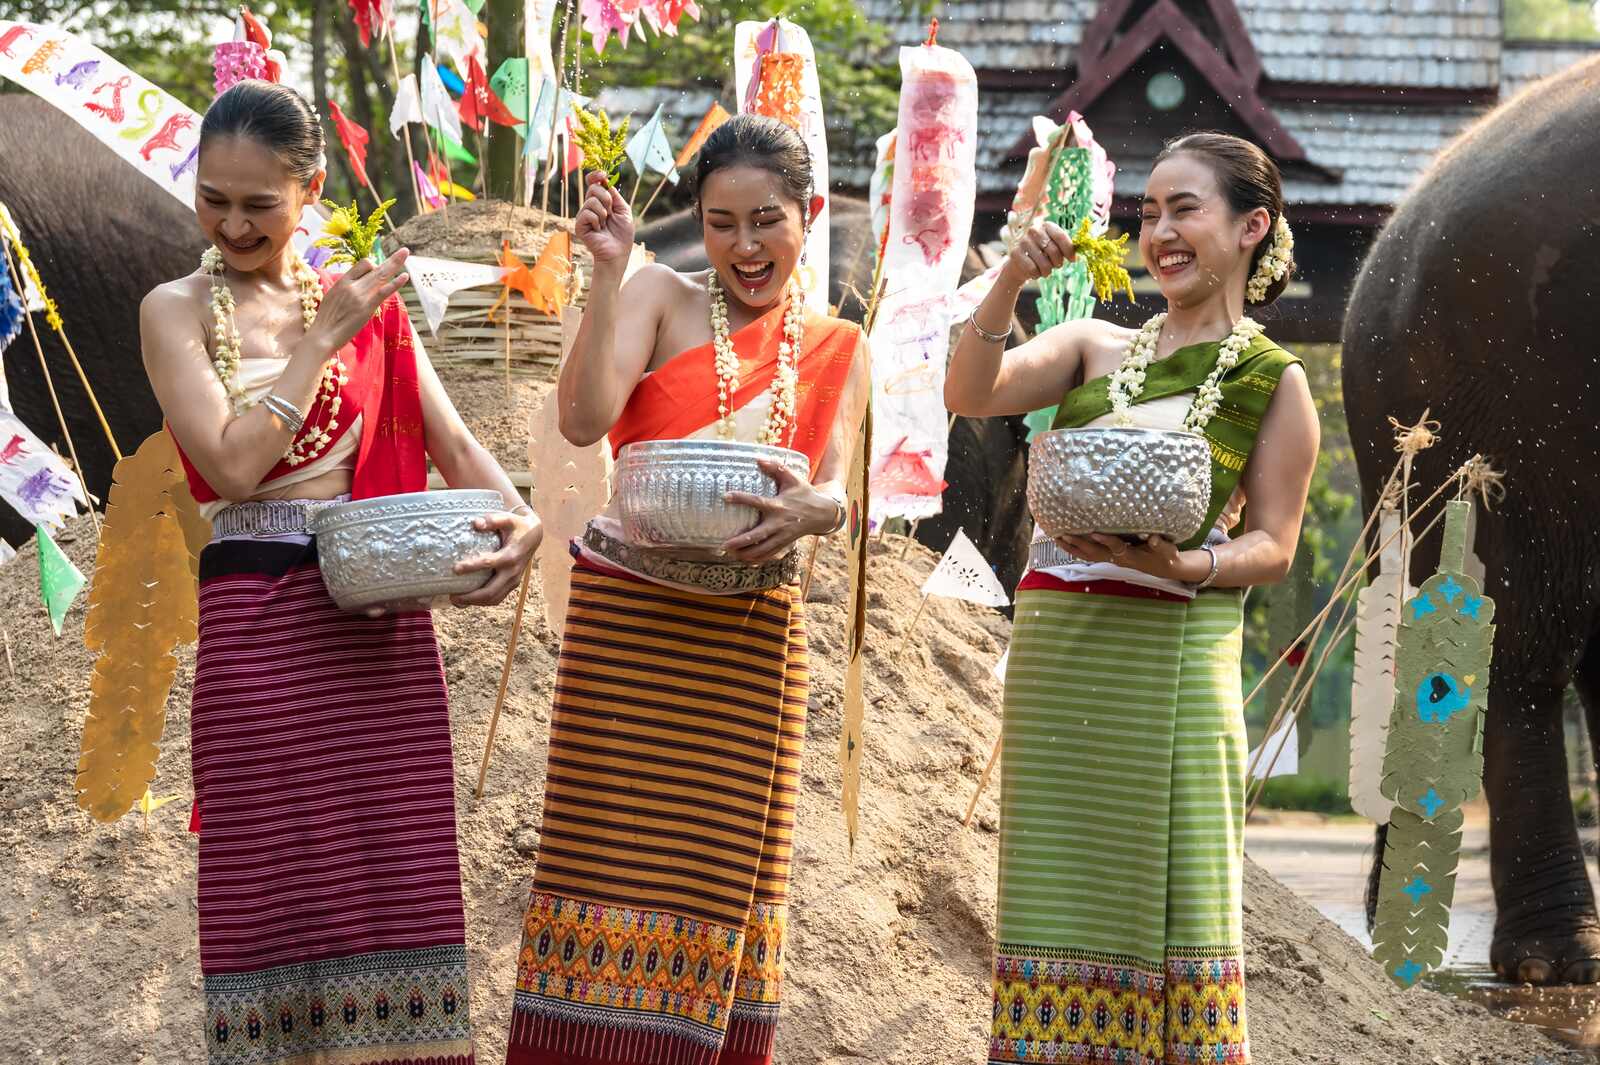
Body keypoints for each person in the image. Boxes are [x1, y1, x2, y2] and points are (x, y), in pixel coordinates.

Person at [139, 80, 542, 1064]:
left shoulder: (369, 307)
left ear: (310, 188)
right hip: (257, 642)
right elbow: (231, 464)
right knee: (272, 899)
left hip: (377, 632)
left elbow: (451, 444)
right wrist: (319, 340)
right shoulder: (176, 311)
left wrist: (520, 524)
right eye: (213, 200)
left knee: (394, 885)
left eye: (259, 204)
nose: (233, 224)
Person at [502, 114, 868, 1065]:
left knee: (719, 887)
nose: (745, 246)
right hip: (629, 631)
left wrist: (819, 514)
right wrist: (609, 273)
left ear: (810, 215)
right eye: (721, 223)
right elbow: (584, 422)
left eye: (768, 221)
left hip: (749, 636)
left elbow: (833, 487)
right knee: (604, 867)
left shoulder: (836, 345)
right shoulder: (661, 294)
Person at [947, 131, 1320, 1065]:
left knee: (1181, 909)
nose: (1159, 232)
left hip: (1175, 660)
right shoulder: (1090, 345)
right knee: (1054, 901)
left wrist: (1185, 567)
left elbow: (1273, 545)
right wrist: (1008, 281)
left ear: (1251, 228)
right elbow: (970, 387)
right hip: (1061, 662)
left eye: (1184, 208)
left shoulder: (1276, 382)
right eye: (1149, 212)